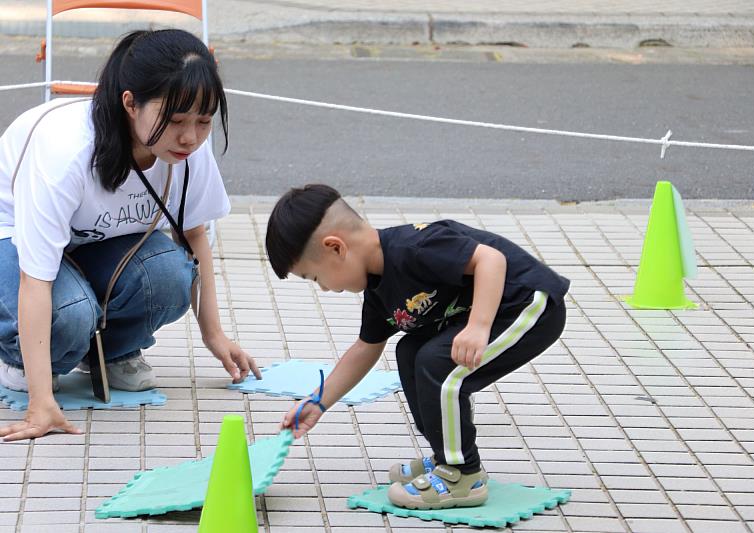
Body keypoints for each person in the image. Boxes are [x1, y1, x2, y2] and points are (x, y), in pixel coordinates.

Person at [0, 29, 261, 442]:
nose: (190, 136)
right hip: (11, 236)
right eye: (175, 120)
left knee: (172, 274)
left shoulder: (187, 150)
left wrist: (214, 334)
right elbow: (36, 278)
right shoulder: (67, 151)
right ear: (130, 103)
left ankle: (110, 352)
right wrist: (40, 400)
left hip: (89, 243)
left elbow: (194, 235)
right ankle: (19, 357)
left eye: (204, 121)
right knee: (70, 315)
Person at [266, 184, 569, 510]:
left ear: (336, 248)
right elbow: (365, 349)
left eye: (315, 278)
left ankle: (463, 474)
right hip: (492, 314)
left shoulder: (416, 247)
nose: (324, 289)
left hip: (528, 305)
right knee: (410, 352)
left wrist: (478, 326)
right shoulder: (379, 290)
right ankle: (445, 457)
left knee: (437, 363)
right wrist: (318, 403)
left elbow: (490, 259)